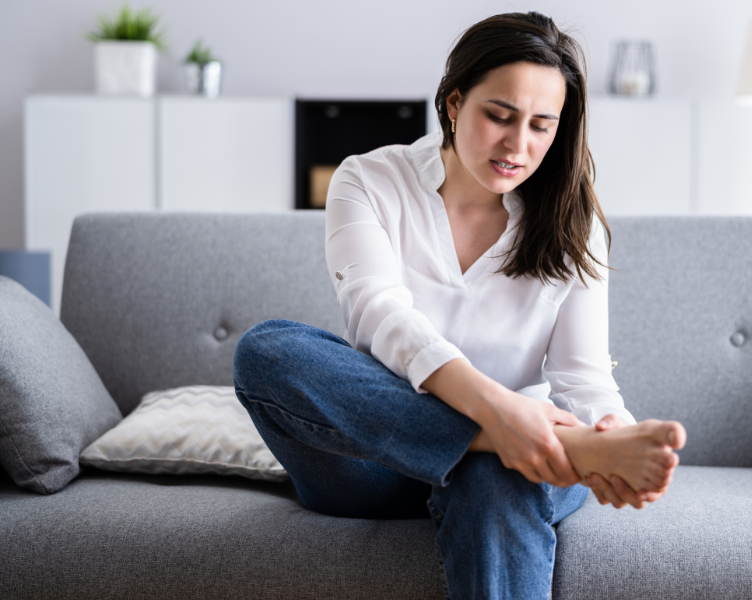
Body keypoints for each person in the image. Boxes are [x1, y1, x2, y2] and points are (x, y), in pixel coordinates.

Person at [233, 11, 686, 600]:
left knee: (497, 472)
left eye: (541, 126)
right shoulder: (369, 180)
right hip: (377, 461)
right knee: (268, 351)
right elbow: (379, 313)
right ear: (453, 104)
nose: (517, 146)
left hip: (519, 462)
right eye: (499, 116)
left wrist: (611, 438)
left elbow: (584, 379)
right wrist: (502, 417)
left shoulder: (573, 224)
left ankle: (516, 446)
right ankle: (519, 441)